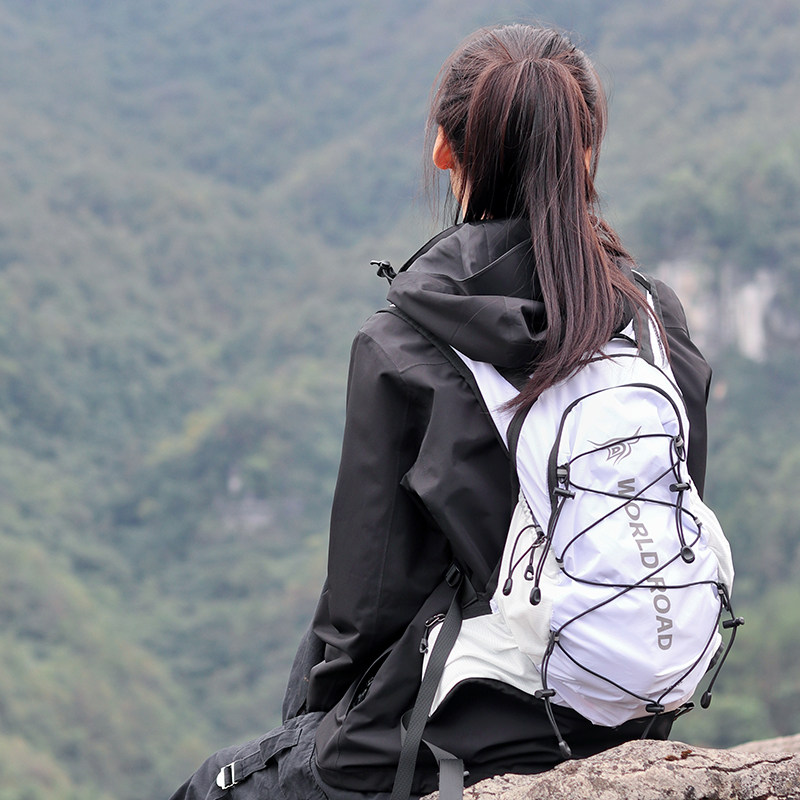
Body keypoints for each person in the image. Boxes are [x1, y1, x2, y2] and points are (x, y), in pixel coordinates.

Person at [170, 23, 712, 800]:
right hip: (630, 702)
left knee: (212, 790)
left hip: (464, 719)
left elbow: (365, 611)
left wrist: (317, 734)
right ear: (585, 148)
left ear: (444, 150)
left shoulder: (404, 344)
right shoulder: (655, 321)